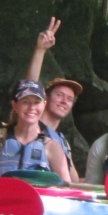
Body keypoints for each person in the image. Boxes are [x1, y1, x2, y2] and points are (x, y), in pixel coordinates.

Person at [0, 79, 73, 179]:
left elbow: (67, 189)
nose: (32, 107)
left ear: (44, 105)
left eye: (37, 102)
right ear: (15, 105)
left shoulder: (52, 147)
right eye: (25, 101)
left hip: (35, 197)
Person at [24, 16, 83, 181]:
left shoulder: (62, 142)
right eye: (59, 95)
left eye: (70, 99)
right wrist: (40, 50)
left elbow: (74, 181)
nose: (65, 101)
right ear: (46, 99)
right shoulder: (29, 122)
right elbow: (29, 88)